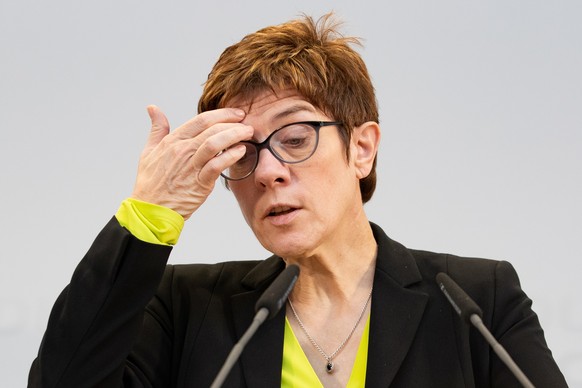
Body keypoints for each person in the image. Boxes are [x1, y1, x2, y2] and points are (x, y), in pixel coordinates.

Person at [29, 13, 567, 388]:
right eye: (241, 153)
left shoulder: (475, 303)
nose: (267, 172)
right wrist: (149, 212)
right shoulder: (185, 309)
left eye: (294, 139)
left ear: (362, 148)